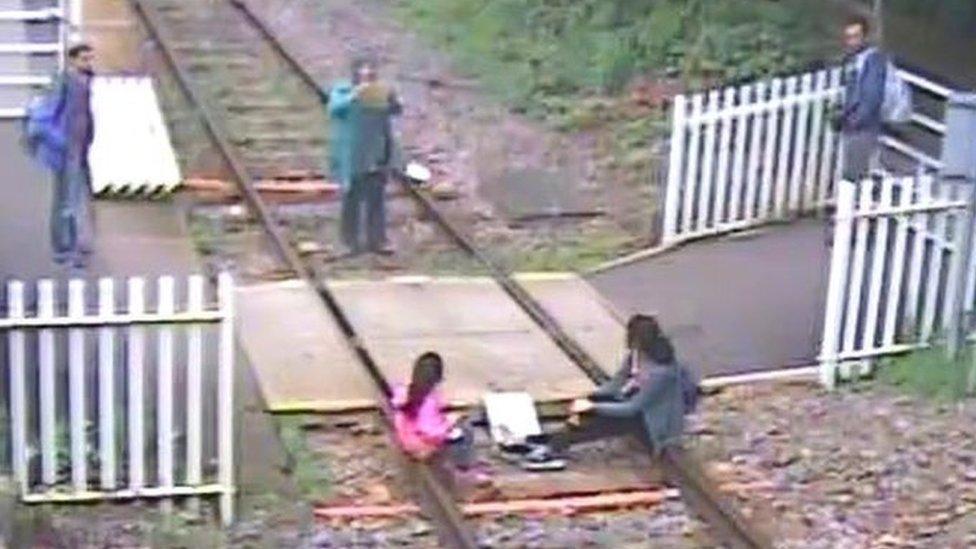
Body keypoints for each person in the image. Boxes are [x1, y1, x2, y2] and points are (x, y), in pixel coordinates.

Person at [522, 315, 698, 470]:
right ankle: (556, 439)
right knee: (589, 408)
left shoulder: (662, 372)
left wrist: (594, 407)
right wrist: (590, 398)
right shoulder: (636, 356)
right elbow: (617, 383)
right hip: (634, 404)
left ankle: (554, 446)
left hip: (651, 421)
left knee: (600, 418)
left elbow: (633, 408)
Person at [25, 43, 96, 269]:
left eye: (90, 59)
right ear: (72, 60)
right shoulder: (64, 83)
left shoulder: (83, 82)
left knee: (75, 199)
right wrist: (61, 143)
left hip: (80, 148)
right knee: (67, 202)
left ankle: (72, 244)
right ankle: (65, 249)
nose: (89, 63)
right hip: (68, 150)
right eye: (84, 59)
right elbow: (43, 118)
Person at [326, 57, 402, 257]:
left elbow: (395, 111)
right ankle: (349, 241)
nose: (367, 73)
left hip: (377, 153)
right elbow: (334, 108)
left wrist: (391, 98)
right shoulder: (343, 90)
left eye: (370, 69)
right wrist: (354, 95)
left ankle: (377, 240)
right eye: (363, 70)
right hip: (353, 154)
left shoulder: (380, 92)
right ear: (356, 73)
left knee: (376, 198)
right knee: (351, 198)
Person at [391, 352, 476, 472]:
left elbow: (403, 406)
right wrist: (449, 423)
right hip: (419, 444)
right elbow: (429, 432)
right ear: (437, 379)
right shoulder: (429, 400)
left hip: (405, 435)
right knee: (465, 428)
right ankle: (462, 467)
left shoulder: (402, 390)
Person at [835, 15, 887, 182]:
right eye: (848, 37)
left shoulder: (873, 60)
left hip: (863, 128)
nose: (851, 42)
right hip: (853, 125)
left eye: (856, 37)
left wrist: (854, 121)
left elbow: (871, 97)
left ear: (864, 37)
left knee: (854, 174)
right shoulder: (853, 60)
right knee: (851, 169)